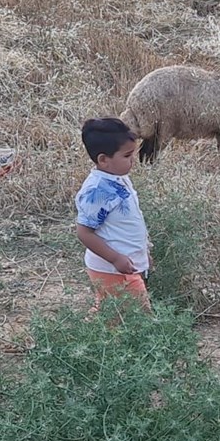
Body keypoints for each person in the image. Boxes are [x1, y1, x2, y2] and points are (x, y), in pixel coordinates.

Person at [74, 117, 152, 311]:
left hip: (124, 267)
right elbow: (84, 232)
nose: (132, 161)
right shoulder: (97, 191)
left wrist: (144, 252)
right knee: (140, 320)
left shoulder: (117, 179)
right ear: (103, 160)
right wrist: (115, 258)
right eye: (127, 156)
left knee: (112, 316)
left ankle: (93, 336)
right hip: (112, 270)